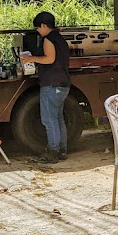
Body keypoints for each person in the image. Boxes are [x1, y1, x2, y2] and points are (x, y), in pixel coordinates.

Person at [27, 11, 70, 163]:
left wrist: (31, 58)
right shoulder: (60, 39)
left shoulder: (48, 39)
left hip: (51, 84)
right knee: (58, 119)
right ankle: (62, 151)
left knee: (49, 120)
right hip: (63, 84)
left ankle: (53, 151)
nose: (38, 31)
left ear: (44, 26)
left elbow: (50, 58)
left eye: (38, 28)